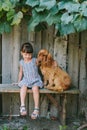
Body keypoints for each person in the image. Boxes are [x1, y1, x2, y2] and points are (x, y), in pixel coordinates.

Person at [18, 42, 43, 119]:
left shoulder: (35, 60)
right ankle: (22, 106)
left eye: (29, 54)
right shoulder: (21, 62)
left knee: (35, 88)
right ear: (21, 53)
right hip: (26, 80)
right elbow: (21, 72)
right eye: (26, 54)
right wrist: (19, 81)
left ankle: (36, 109)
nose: (28, 56)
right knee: (23, 87)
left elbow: (43, 65)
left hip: (35, 80)